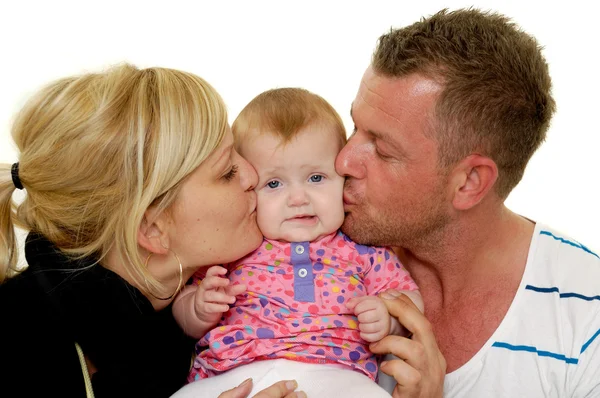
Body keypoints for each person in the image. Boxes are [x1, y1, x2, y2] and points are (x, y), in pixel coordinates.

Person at [334, 8, 600, 397]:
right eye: (355, 126)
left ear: (470, 183)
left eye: (383, 149)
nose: (343, 161)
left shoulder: (586, 320)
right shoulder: (304, 244)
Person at [0, 64, 307, 398]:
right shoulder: (18, 343)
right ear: (153, 229)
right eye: (227, 172)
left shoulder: (214, 299)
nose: (252, 176)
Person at [171, 88, 423, 397]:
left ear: (342, 177)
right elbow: (182, 306)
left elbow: (411, 302)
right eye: (274, 183)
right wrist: (198, 308)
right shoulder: (235, 246)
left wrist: (387, 319)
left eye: (316, 178)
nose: (299, 199)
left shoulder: (363, 249)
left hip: (336, 375)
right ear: (249, 187)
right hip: (231, 374)